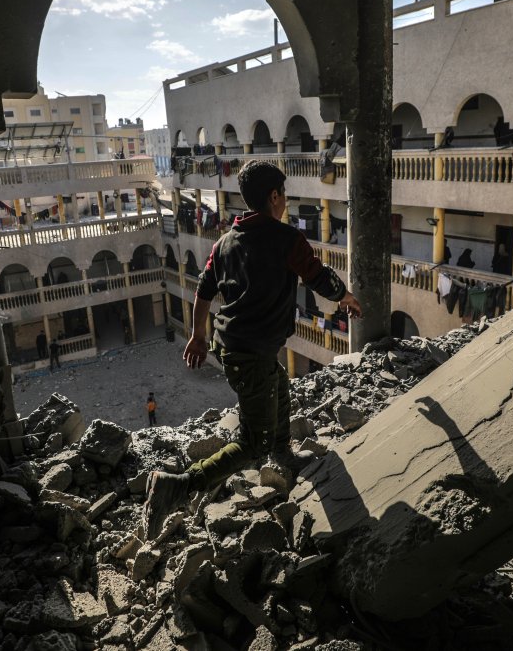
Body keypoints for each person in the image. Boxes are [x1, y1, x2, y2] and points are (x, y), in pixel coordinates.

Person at [144, 160, 363, 537]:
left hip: (233, 347)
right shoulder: (285, 239)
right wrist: (345, 297)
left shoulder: (225, 242)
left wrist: (198, 337)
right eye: (285, 195)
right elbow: (316, 276)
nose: (286, 202)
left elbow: (202, 293)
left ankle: (283, 455)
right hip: (250, 353)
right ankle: (175, 486)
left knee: (279, 383)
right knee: (250, 443)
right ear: (274, 196)